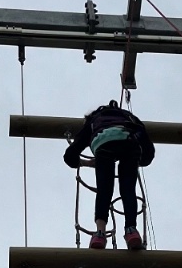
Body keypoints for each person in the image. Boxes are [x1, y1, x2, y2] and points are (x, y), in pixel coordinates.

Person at [63, 100, 155, 250]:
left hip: (103, 143)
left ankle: (100, 233)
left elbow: (70, 156)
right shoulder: (129, 117)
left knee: (104, 190)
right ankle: (131, 231)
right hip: (129, 142)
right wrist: (140, 160)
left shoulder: (94, 121)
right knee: (128, 189)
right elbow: (147, 147)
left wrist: (86, 163)